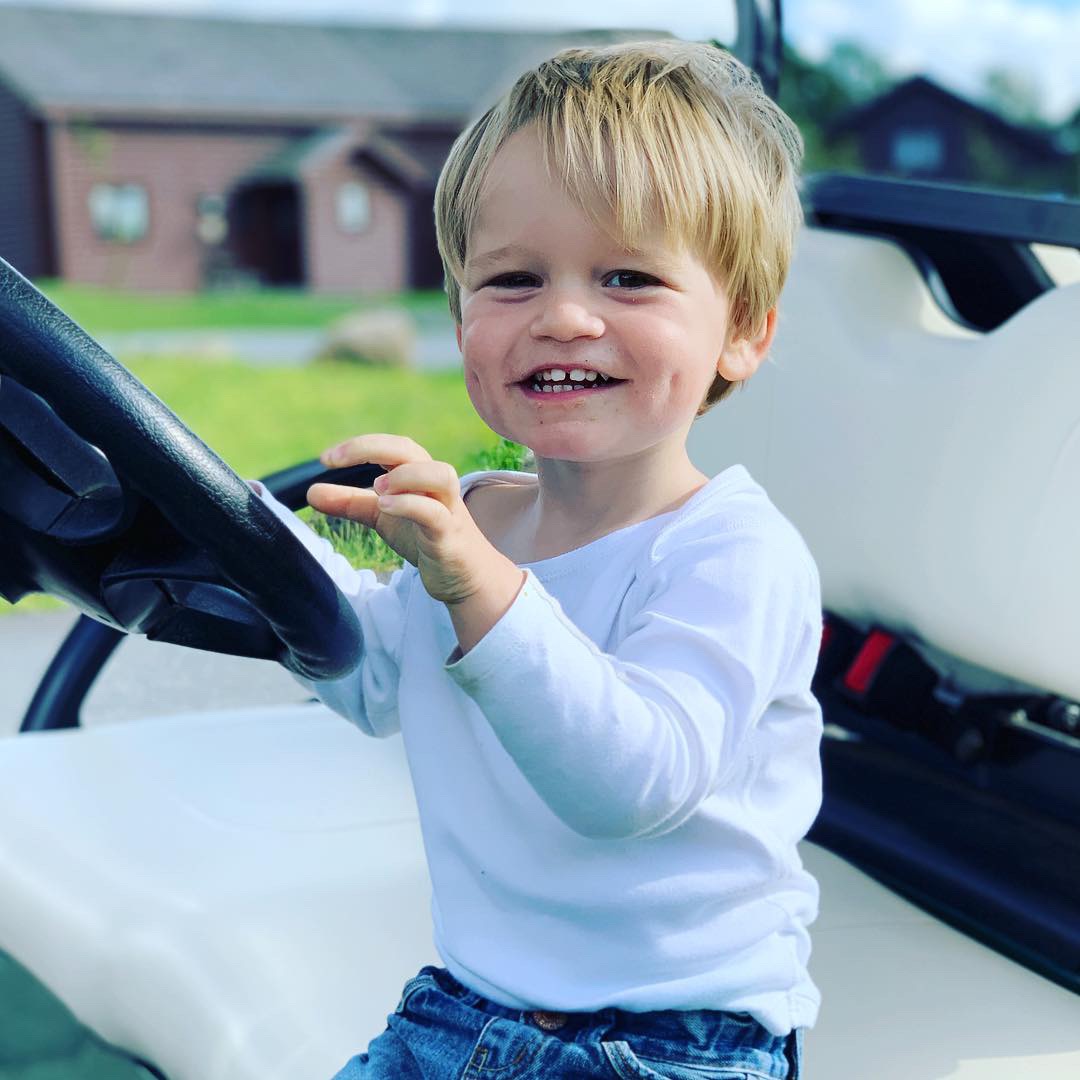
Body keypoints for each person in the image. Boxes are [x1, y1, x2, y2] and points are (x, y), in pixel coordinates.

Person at [253, 38, 821, 1080]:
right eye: (511, 279)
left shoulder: (736, 556)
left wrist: (471, 578)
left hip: (673, 1047)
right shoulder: (473, 519)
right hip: (464, 1013)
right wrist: (253, 573)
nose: (563, 316)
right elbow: (375, 680)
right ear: (460, 311)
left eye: (628, 277)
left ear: (742, 332)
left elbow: (631, 781)